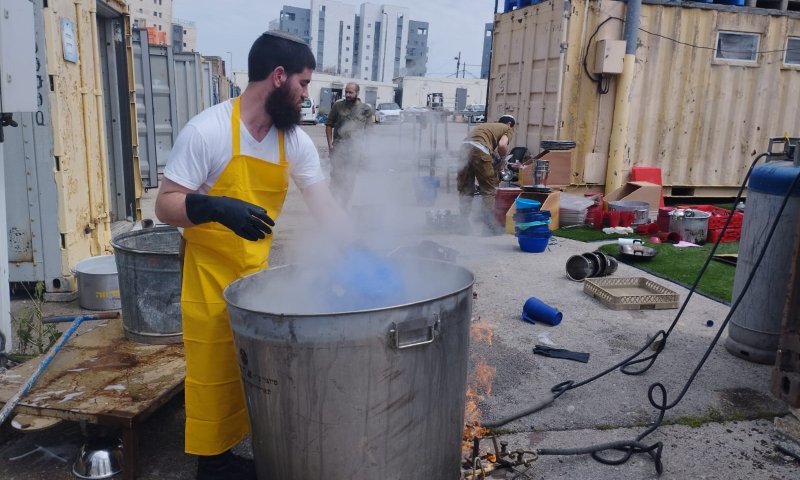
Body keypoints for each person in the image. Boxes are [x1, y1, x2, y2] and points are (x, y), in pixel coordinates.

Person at [154, 31, 351, 480]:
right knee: (212, 366)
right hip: (206, 271)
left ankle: (242, 447)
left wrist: (360, 255)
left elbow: (325, 207)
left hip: (255, 274)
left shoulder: (292, 141)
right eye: (303, 83)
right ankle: (212, 465)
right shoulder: (207, 131)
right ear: (279, 76)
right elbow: (165, 205)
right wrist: (214, 207)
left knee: (253, 368)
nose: (306, 95)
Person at [456, 115, 516, 235]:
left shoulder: (487, 126)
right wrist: (503, 160)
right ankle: (488, 228)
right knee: (489, 190)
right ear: (510, 124)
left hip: (464, 149)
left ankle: (463, 225)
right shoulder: (507, 129)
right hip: (479, 150)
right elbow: (502, 145)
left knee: (465, 189)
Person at [325, 82, 373, 206]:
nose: (347, 94)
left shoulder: (365, 110)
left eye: (350, 92)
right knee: (336, 176)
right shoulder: (338, 106)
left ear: (357, 93)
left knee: (350, 178)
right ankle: (332, 204)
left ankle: (344, 204)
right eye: (346, 92)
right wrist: (330, 144)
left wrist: (366, 150)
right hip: (339, 148)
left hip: (355, 150)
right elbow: (329, 125)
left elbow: (369, 132)